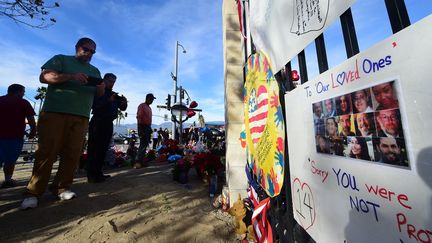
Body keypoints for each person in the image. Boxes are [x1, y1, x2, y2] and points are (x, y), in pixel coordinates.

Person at [21, 37, 105, 210]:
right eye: (85, 49)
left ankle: (62, 187)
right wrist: (72, 77)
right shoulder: (61, 59)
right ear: (77, 47)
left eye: (92, 51)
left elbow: (99, 94)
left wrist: (100, 88)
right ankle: (33, 193)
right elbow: (44, 77)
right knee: (46, 153)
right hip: (54, 113)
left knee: (73, 154)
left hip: (81, 116)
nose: (89, 53)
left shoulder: (95, 70)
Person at [86, 73, 127, 183]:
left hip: (108, 123)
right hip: (98, 121)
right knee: (94, 148)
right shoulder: (99, 90)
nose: (112, 84)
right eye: (110, 81)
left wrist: (124, 102)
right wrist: (109, 100)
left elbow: (122, 108)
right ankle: (91, 175)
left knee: (103, 149)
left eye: (114, 82)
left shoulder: (113, 94)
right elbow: (94, 106)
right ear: (104, 80)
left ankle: (98, 173)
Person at [0, 84, 36, 188]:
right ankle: (7, 180)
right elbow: (31, 119)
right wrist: (33, 131)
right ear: (18, 91)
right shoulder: (23, 102)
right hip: (14, 136)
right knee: (10, 160)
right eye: (23, 92)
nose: (24, 94)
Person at [136, 93, 156, 165]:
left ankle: (141, 160)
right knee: (143, 144)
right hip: (142, 126)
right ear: (147, 98)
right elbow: (139, 117)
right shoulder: (142, 106)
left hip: (147, 127)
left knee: (145, 144)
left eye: (153, 100)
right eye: (151, 99)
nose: (152, 101)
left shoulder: (149, 108)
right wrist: (140, 128)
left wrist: (150, 128)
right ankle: (139, 161)